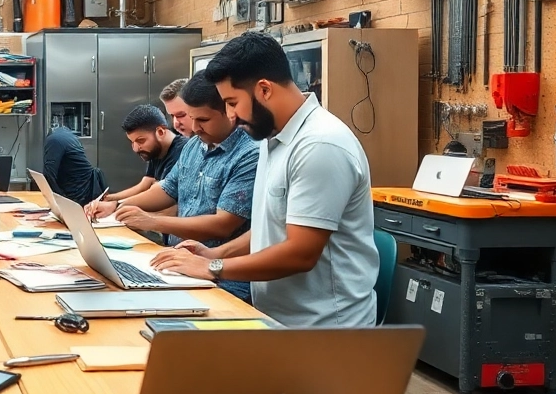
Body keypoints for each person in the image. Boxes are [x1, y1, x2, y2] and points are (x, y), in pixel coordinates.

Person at [152, 32, 378, 327]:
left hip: (323, 330)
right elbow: (272, 228)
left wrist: (214, 266)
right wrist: (215, 253)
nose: (230, 116)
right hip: (279, 318)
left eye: (233, 102)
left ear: (264, 90)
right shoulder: (274, 138)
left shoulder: (319, 145)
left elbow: (299, 253)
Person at [87, 74, 257, 301]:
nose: (195, 128)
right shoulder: (195, 145)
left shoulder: (248, 154)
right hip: (180, 266)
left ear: (229, 111)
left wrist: (153, 222)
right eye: (192, 118)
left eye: (203, 120)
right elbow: (168, 188)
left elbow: (223, 224)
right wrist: (117, 205)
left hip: (221, 278)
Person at [103, 104, 189, 202]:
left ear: (160, 132)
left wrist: (117, 205)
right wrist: (109, 199)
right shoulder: (155, 151)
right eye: (132, 142)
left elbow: (162, 196)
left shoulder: (183, 151)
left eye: (141, 141)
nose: (135, 149)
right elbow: (144, 187)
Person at [43, 124, 106, 207]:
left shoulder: (53, 140)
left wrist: (60, 203)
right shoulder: (66, 135)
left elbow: (48, 175)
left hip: (79, 193)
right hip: (86, 187)